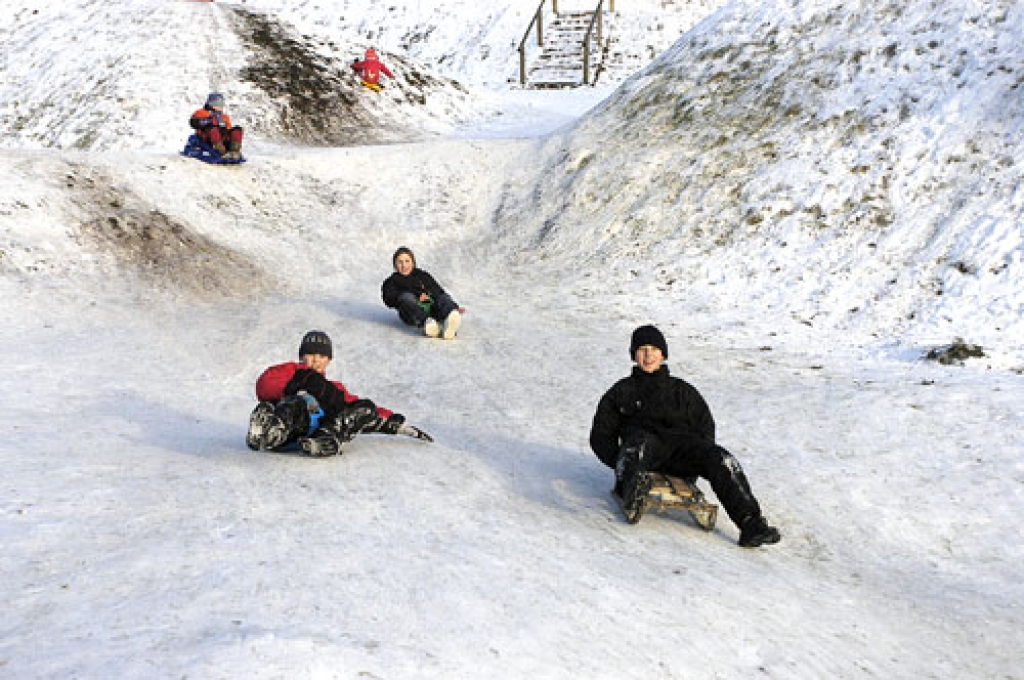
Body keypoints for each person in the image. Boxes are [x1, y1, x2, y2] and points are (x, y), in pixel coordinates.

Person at [589, 325, 781, 548]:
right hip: (643, 453)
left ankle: (750, 523)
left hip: (680, 452)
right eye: (642, 349)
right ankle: (633, 490)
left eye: (653, 349)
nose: (648, 355)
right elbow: (601, 435)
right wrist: (620, 462)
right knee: (639, 444)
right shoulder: (621, 392)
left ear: (663, 354)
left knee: (720, 458)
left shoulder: (683, 392)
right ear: (634, 355)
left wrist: (701, 460)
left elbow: (705, 428)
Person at [247, 330, 432, 456]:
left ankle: (326, 438)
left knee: (364, 408)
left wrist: (394, 422)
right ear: (301, 356)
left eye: (321, 356)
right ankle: (271, 429)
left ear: (328, 360)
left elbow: (354, 405)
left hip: (312, 430)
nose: (315, 360)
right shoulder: (291, 371)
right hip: (291, 418)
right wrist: (298, 382)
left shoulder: (333, 387)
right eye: (310, 355)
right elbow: (264, 386)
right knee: (296, 404)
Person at [381, 246, 465, 339]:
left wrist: (453, 306)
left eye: (407, 261)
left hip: (431, 308)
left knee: (442, 297)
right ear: (395, 265)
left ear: (413, 262)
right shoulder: (392, 281)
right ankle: (427, 324)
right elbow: (389, 299)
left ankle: (450, 319)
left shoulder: (423, 275)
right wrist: (417, 299)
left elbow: (438, 290)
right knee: (406, 297)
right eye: (400, 262)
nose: (404, 265)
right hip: (412, 312)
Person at [189, 92, 244, 160]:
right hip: (208, 137)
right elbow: (193, 122)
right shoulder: (202, 112)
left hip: (221, 137)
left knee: (237, 130)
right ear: (211, 104)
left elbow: (229, 128)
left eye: (221, 104)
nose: (220, 106)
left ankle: (234, 151)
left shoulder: (224, 117)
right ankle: (221, 152)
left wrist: (226, 131)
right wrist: (206, 121)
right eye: (217, 104)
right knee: (214, 130)